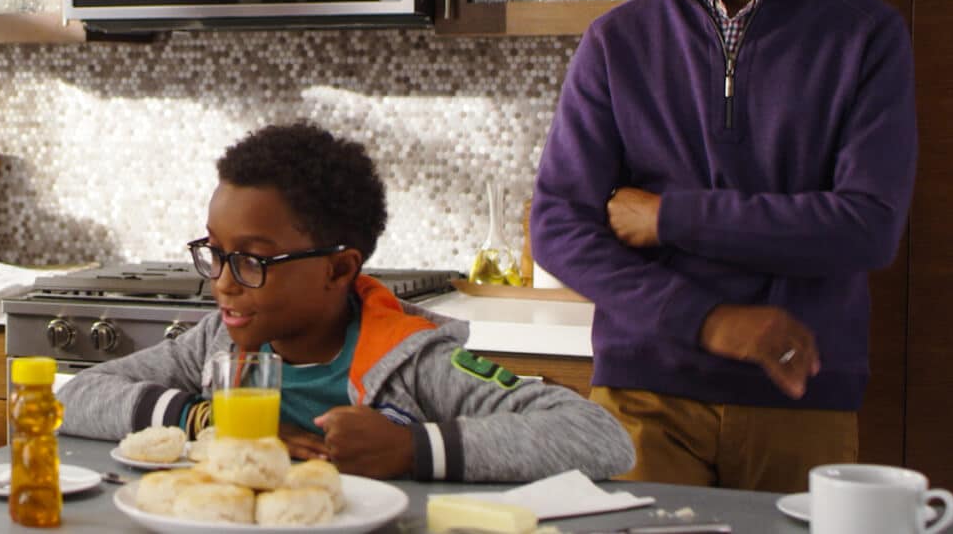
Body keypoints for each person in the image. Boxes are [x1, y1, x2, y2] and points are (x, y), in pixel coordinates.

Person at [530, 0, 916, 494]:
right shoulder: (615, 42)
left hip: (800, 390)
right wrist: (707, 320)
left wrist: (670, 218)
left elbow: (868, 227)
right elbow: (558, 227)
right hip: (644, 392)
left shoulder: (865, 34)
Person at [59, 122, 633, 481]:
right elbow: (77, 397)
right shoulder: (215, 346)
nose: (223, 283)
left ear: (338, 269)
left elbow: (597, 437)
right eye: (215, 253)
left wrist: (411, 448)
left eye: (253, 260)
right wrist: (207, 420)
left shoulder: (412, 359)